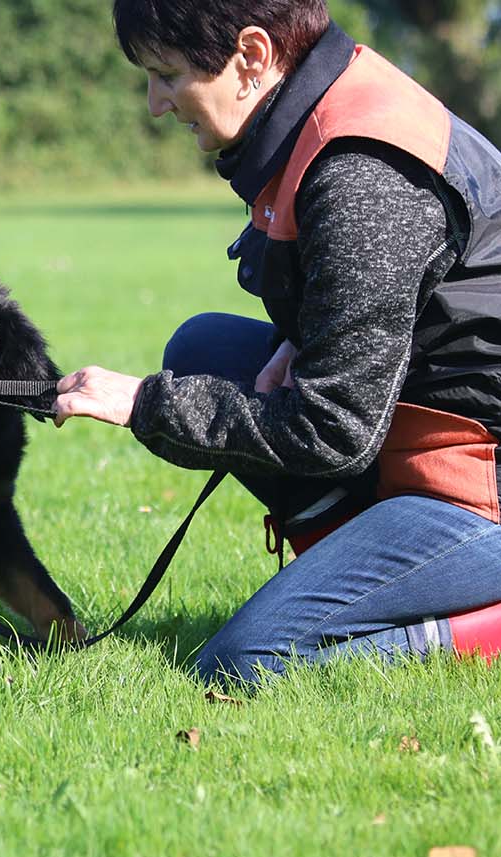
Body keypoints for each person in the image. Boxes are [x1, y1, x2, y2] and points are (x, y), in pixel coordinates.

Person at [54, 0, 501, 687]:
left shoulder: (362, 171)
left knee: (245, 662)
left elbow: (333, 430)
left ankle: (464, 618)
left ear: (253, 56)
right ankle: (361, 567)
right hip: (426, 432)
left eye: (167, 74)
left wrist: (145, 404)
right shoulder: (329, 106)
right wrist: (304, 332)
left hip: (476, 487)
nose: (155, 104)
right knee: (206, 348)